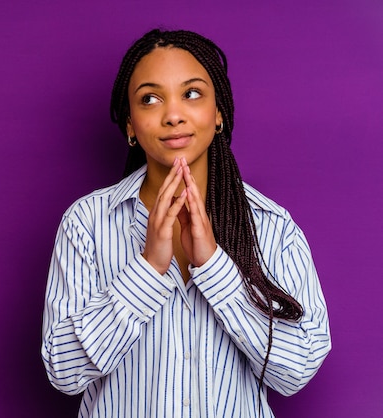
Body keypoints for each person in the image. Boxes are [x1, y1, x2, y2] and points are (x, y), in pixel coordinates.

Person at [41, 29, 331, 418]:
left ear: (218, 114)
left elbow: (297, 372)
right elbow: (62, 371)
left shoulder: (271, 226)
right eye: (150, 98)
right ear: (130, 125)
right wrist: (146, 271)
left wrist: (215, 268)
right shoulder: (87, 224)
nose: (173, 114)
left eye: (192, 93)